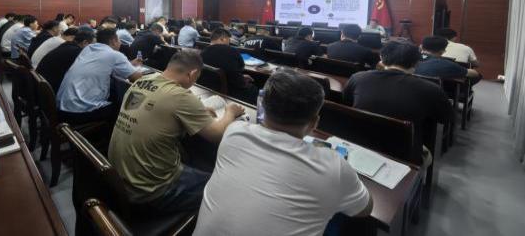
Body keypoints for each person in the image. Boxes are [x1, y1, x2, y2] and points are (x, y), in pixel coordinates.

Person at [194, 69, 372, 236]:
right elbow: (365, 209)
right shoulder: (334, 166)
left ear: (263, 106)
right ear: (314, 122)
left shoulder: (234, 131)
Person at [109, 49, 245, 214]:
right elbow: (217, 135)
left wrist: (198, 112)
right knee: (225, 188)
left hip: (121, 179)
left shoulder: (142, 80)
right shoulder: (180, 96)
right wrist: (231, 111)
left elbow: (161, 109)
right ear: (192, 74)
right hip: (151, 190)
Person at [343, 40, 451, 165]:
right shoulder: (431, 89)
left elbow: (347, 103)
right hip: (404, 155)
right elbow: (446, 118)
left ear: (381, 58)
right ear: (416, 62)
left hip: (358, 143)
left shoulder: (357, 77)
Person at [57, 28, 142, 125]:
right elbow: (136, 78)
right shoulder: (114, 55)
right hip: (79, 112)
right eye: (119, 40)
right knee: (123, 108)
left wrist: (129, 65)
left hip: (62, 108)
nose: (120, 43)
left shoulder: (88, 49)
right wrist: (138, 69)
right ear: (113, 41)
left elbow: (102, 66)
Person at [201, 28, 259, 103]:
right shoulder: (232, 51)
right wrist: (241, 79)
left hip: (209, 88)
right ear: (223, 39)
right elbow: (240, 69)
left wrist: (241, 77)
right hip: (230, 92)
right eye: (229, 40)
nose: (229, 43)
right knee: (254, 89)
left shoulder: (202, 52)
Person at [36, 29, 95, 93]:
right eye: (92, 46)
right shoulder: (76, 52)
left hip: (39, 83)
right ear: (85, 42)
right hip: (48, 90)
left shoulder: (67, 45)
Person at [415, 36, 481, 80]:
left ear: (422, 47)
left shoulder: (412, 59)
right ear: (442, 51)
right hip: (436, 93)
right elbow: (475, 74)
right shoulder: (446, 64)